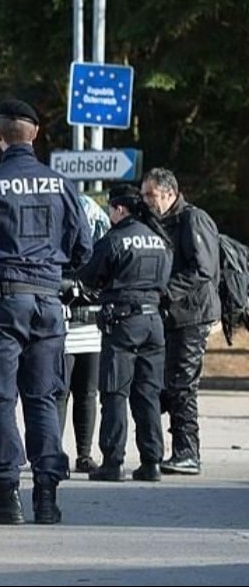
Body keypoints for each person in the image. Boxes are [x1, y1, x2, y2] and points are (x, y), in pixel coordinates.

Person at [0, 99, 92, 525]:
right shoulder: (62, 184)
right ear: (36, 134)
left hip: (3, 302)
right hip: (48, 302)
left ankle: (5, 495)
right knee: (44, 396)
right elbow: (84, 248)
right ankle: (46, 497)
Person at [74, 185, 172, 482]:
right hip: (154, 323)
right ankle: (151, 461)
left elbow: (89, 275)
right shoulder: (159, 239)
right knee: (148, 394)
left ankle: (113, 462)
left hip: (123, 322)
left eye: (111, 210)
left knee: (115, 393)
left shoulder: (115, 239)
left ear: (119, 209)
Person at [140, 168, 220, 476]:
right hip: (173, 315)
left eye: (151, 195)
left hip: (193, 314)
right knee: (166, 384)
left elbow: (204, 269)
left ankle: (188, 452)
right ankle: (170, 448)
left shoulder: (192, 219)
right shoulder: (160, 222)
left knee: (183, 385)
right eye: (143, 194)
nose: (145, 201)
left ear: (170, 193)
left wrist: (164, 292)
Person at [57, 193, 111, 474]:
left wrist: (81, 292)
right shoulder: (56, 246)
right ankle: (54, 453)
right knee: (60, 393)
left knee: (87, 394)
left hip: (91, 330)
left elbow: (106, 284)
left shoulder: (103, 249)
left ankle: (84, 454)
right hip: (63, 329)